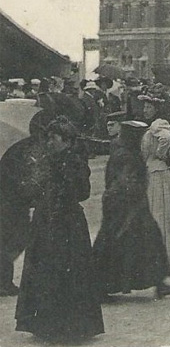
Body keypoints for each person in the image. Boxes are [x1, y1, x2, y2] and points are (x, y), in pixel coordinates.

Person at [15, 117, 104, 341]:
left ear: (67, 140)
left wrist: (62, 180)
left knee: (67, 269)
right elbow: (31, 191)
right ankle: (44, 324)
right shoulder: (44, 160)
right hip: (45, 220)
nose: (49, 142)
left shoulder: (74, 162)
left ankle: (71, 326)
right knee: (44, 268)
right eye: (48, 138)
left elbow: (82, 192)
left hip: (67, 222)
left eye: (54, 138)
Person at [93, 121, 170, 299]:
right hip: (128, 207)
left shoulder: (121, 152)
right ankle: (101, 287)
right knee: (136, 241)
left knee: (130, 242)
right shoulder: (128, 156)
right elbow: (126, 183)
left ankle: (156, 282)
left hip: (123, 205)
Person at [0, 110, 53, 296]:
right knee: (11, 240)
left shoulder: (18, 147)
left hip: (13, 202)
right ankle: (3, 282)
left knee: (12, 240)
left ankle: (4, 281)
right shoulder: (22, 148)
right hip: (9, 202)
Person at [140, 83, 170, 267]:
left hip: (160, 173)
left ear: (157, 108)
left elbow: (166, 139)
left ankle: (163, 256)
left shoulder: (159, 123)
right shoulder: (153, 124)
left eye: (149, 106)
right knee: (161, 212)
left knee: (159, 212)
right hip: (159, 172)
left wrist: (159, 155)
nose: (145, 109)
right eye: (145, 106)